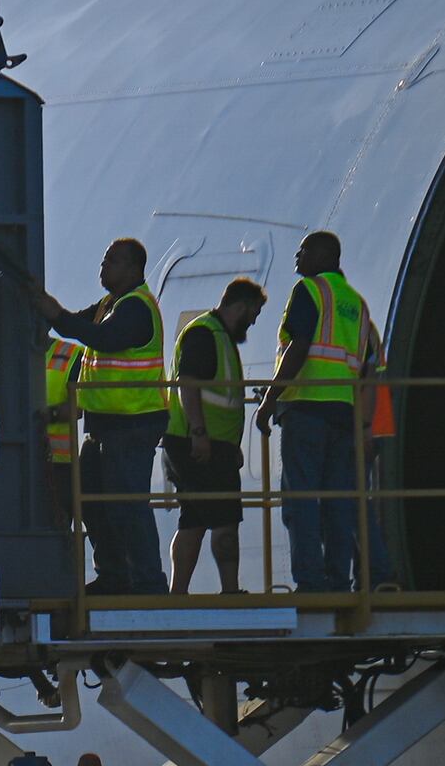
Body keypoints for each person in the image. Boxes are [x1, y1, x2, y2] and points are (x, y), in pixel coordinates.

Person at [255, 232, 382, 592]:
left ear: (324, 255)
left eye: (304, 250)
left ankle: (310, 580)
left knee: (301, 500)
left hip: (306, 408)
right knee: (339, 501)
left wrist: (270, 400)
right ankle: (338, 579)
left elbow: (299, 348)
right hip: (343, 411)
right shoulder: (356, 304)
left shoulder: (310, 291)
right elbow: (364, 366)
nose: (297, 257)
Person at [44, 238, 166, 593]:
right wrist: (48, 313)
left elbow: (102, 338)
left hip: (133, 422)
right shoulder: (110, 304)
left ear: (132, 268)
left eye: (111, 261)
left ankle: (147, 581)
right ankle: (114, 574)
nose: (103, 267)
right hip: (104, 424)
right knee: (94, 503)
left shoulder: (136, 308)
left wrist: (55, 315)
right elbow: (75, 324)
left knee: (127, 504)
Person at [164, 278, 264, 593]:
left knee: (193, 518)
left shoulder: (216, 335)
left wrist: (231, 445)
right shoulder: (205, 334)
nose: (253, 321)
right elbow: (188, 384)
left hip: (203, 444)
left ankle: (178, 592)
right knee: (224, 520)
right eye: (253, 313)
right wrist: (200, 434)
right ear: (241, 306)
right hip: (200, 444)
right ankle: (230, 591)